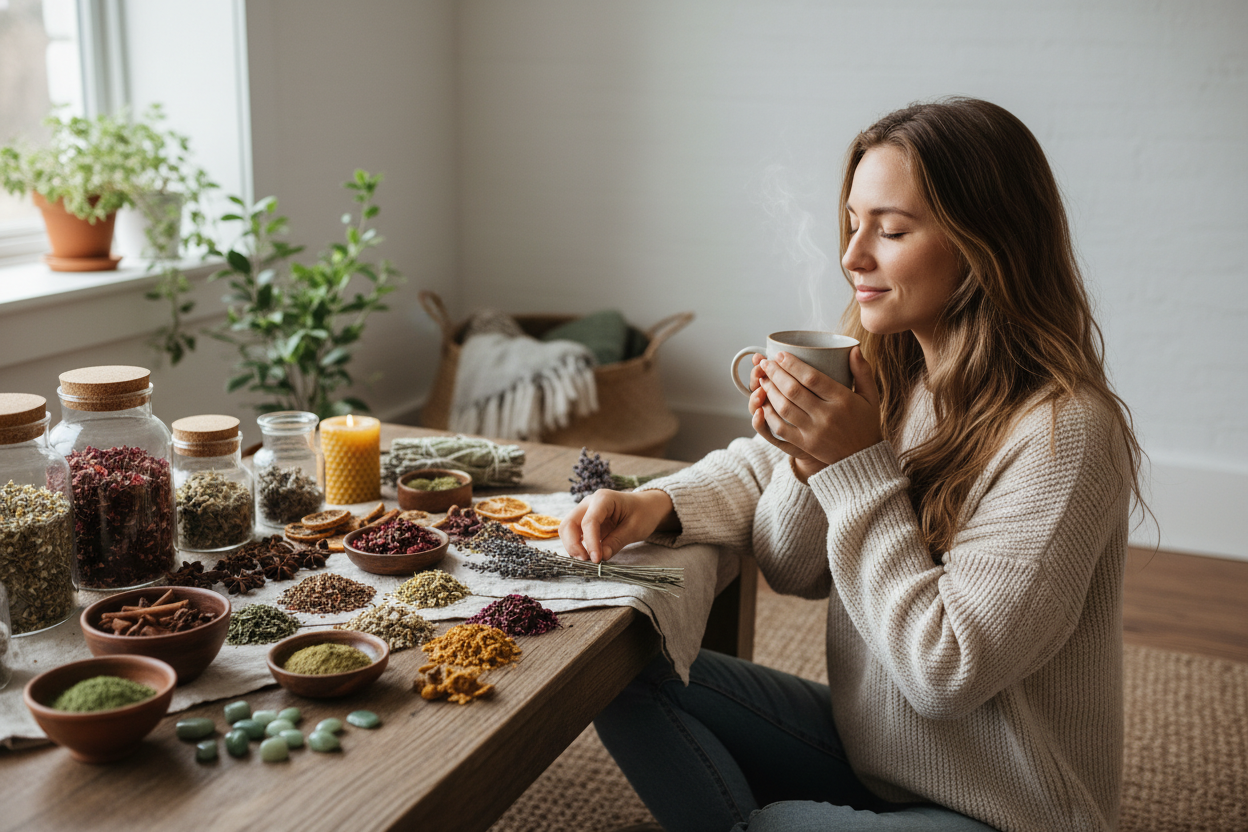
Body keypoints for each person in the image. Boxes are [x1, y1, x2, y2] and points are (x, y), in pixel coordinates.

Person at [559, 97, 1144, 832]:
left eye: (891, 230)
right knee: (620, 669)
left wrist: (855, 464)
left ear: (987, 245)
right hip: (881, 760)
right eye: (852, 223)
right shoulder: (896, 372)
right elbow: (791, 562)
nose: (853, 256)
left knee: (773, 822)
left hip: (1005, 809)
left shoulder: (1066, 434)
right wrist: (660, 502)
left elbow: (946, 671)